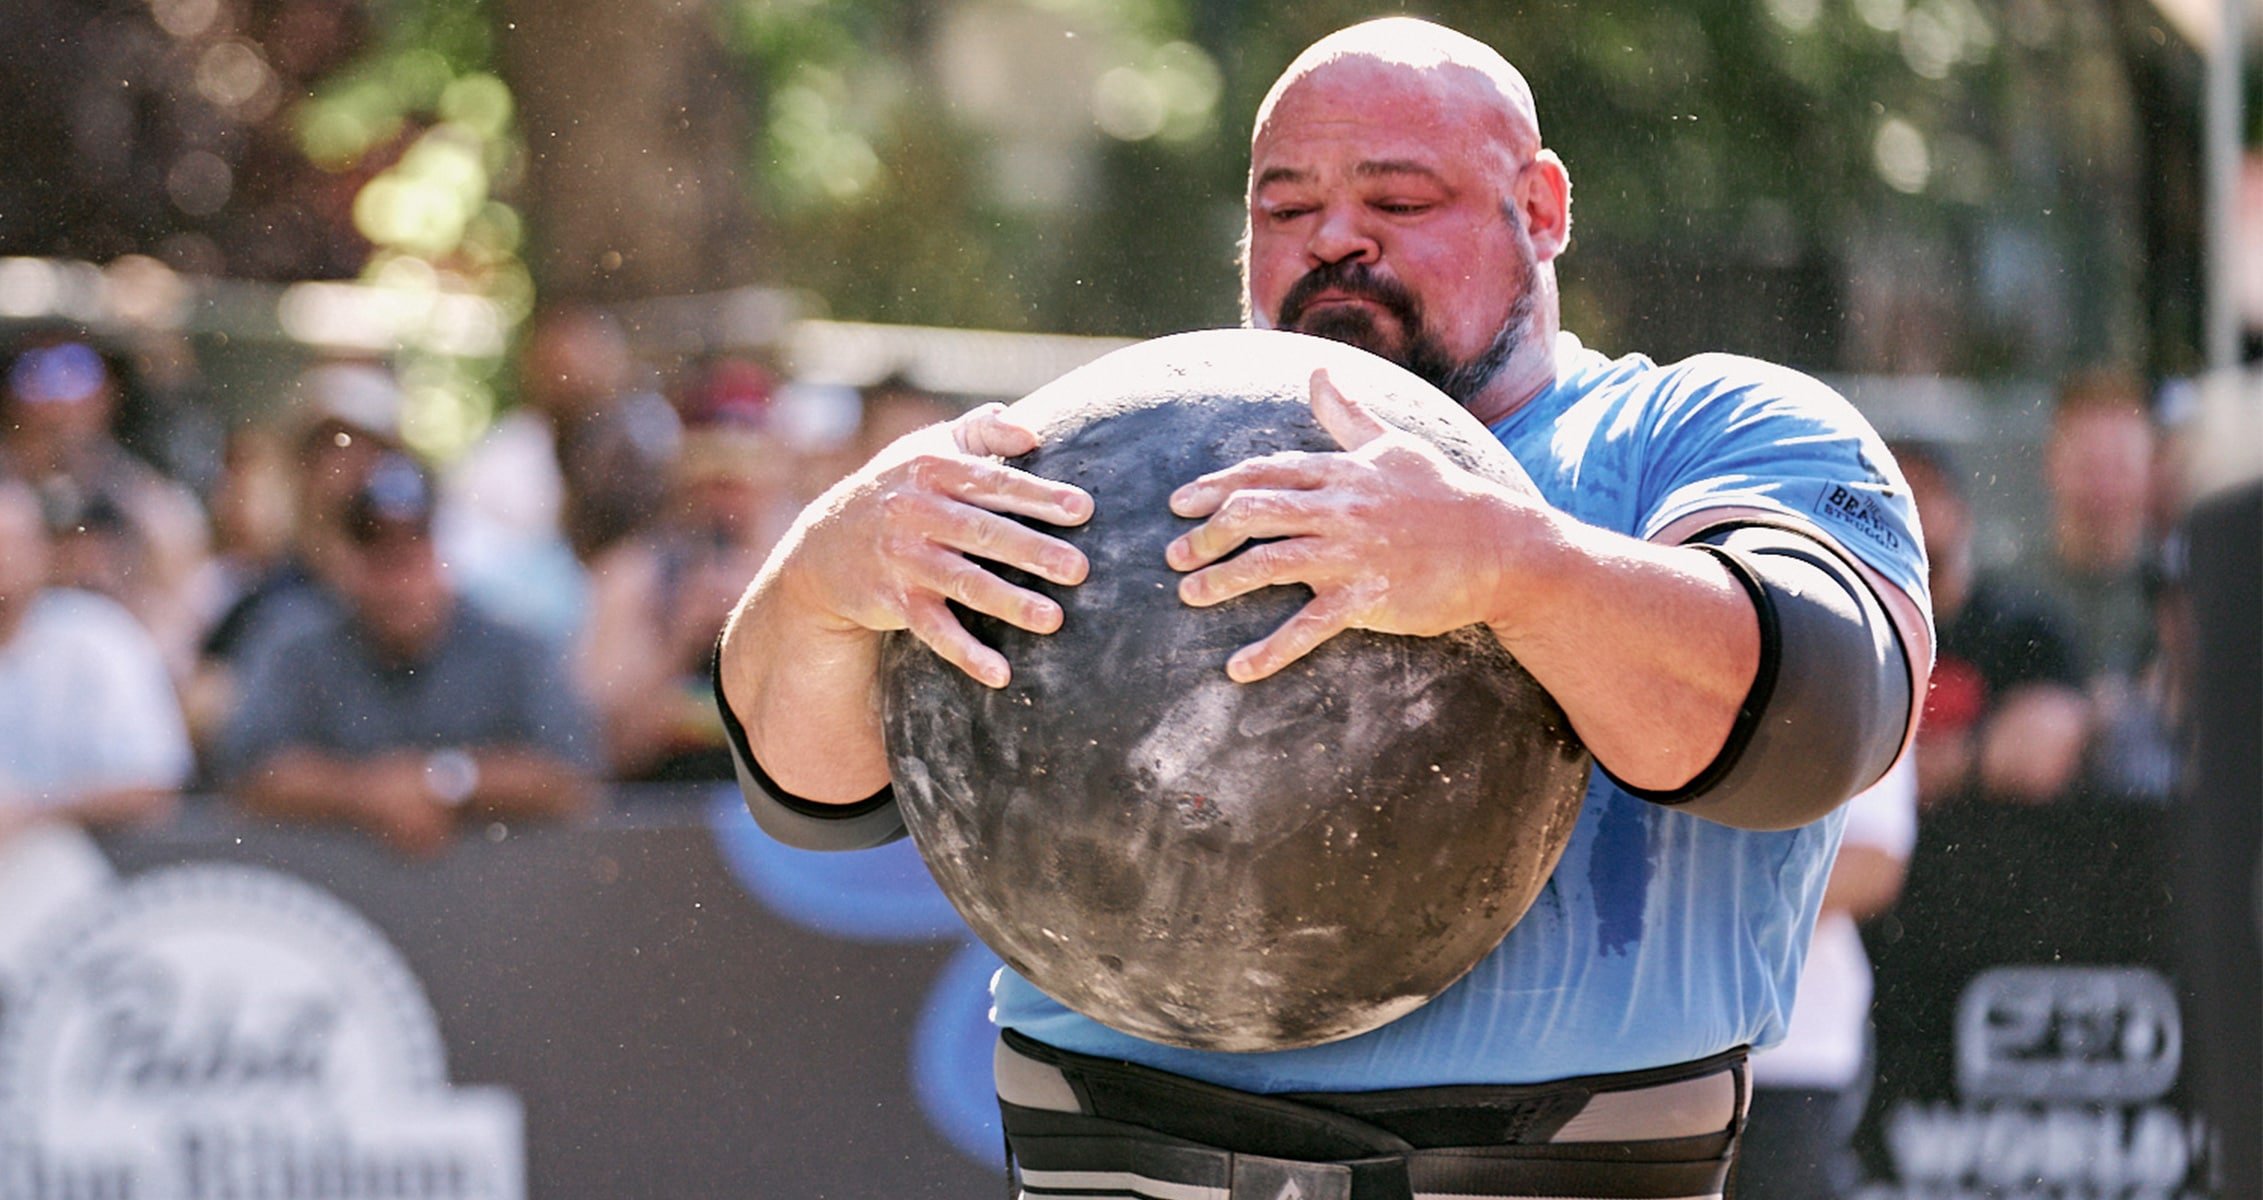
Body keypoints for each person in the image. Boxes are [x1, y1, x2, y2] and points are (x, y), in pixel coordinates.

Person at [714, 18, 1930, 1197]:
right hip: (1117, 1151)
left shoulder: (1702, 433)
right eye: (1284, 208)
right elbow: (816, 797)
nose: (1335, 239)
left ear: (1542, 207)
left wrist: (1507, 567)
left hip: (1553, 1163)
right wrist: (823, 578)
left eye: (1399, 202)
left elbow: (1820, 724)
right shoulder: (1104, 445)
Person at [217, 454, 600, 857]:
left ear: (444, 555)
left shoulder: (514, 645)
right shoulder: (297, 644)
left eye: (413, 555)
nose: (400, 582)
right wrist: (368, 793)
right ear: (349, 563)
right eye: (381, 558)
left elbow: (573, 777)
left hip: (494, 901)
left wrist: (448, 781)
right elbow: (247, 772)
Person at [1738, 758, 1916, 1199]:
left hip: (1789, 1056)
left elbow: (1876, 860)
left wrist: (1713, 912)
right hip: (1629, 1053)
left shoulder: (1862, 688)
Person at [0, 477, 192, 839]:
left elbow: (154, 780)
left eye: (12, 544)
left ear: (42, 550)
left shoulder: (99, 638)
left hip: (82, 873)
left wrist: (32, 813)